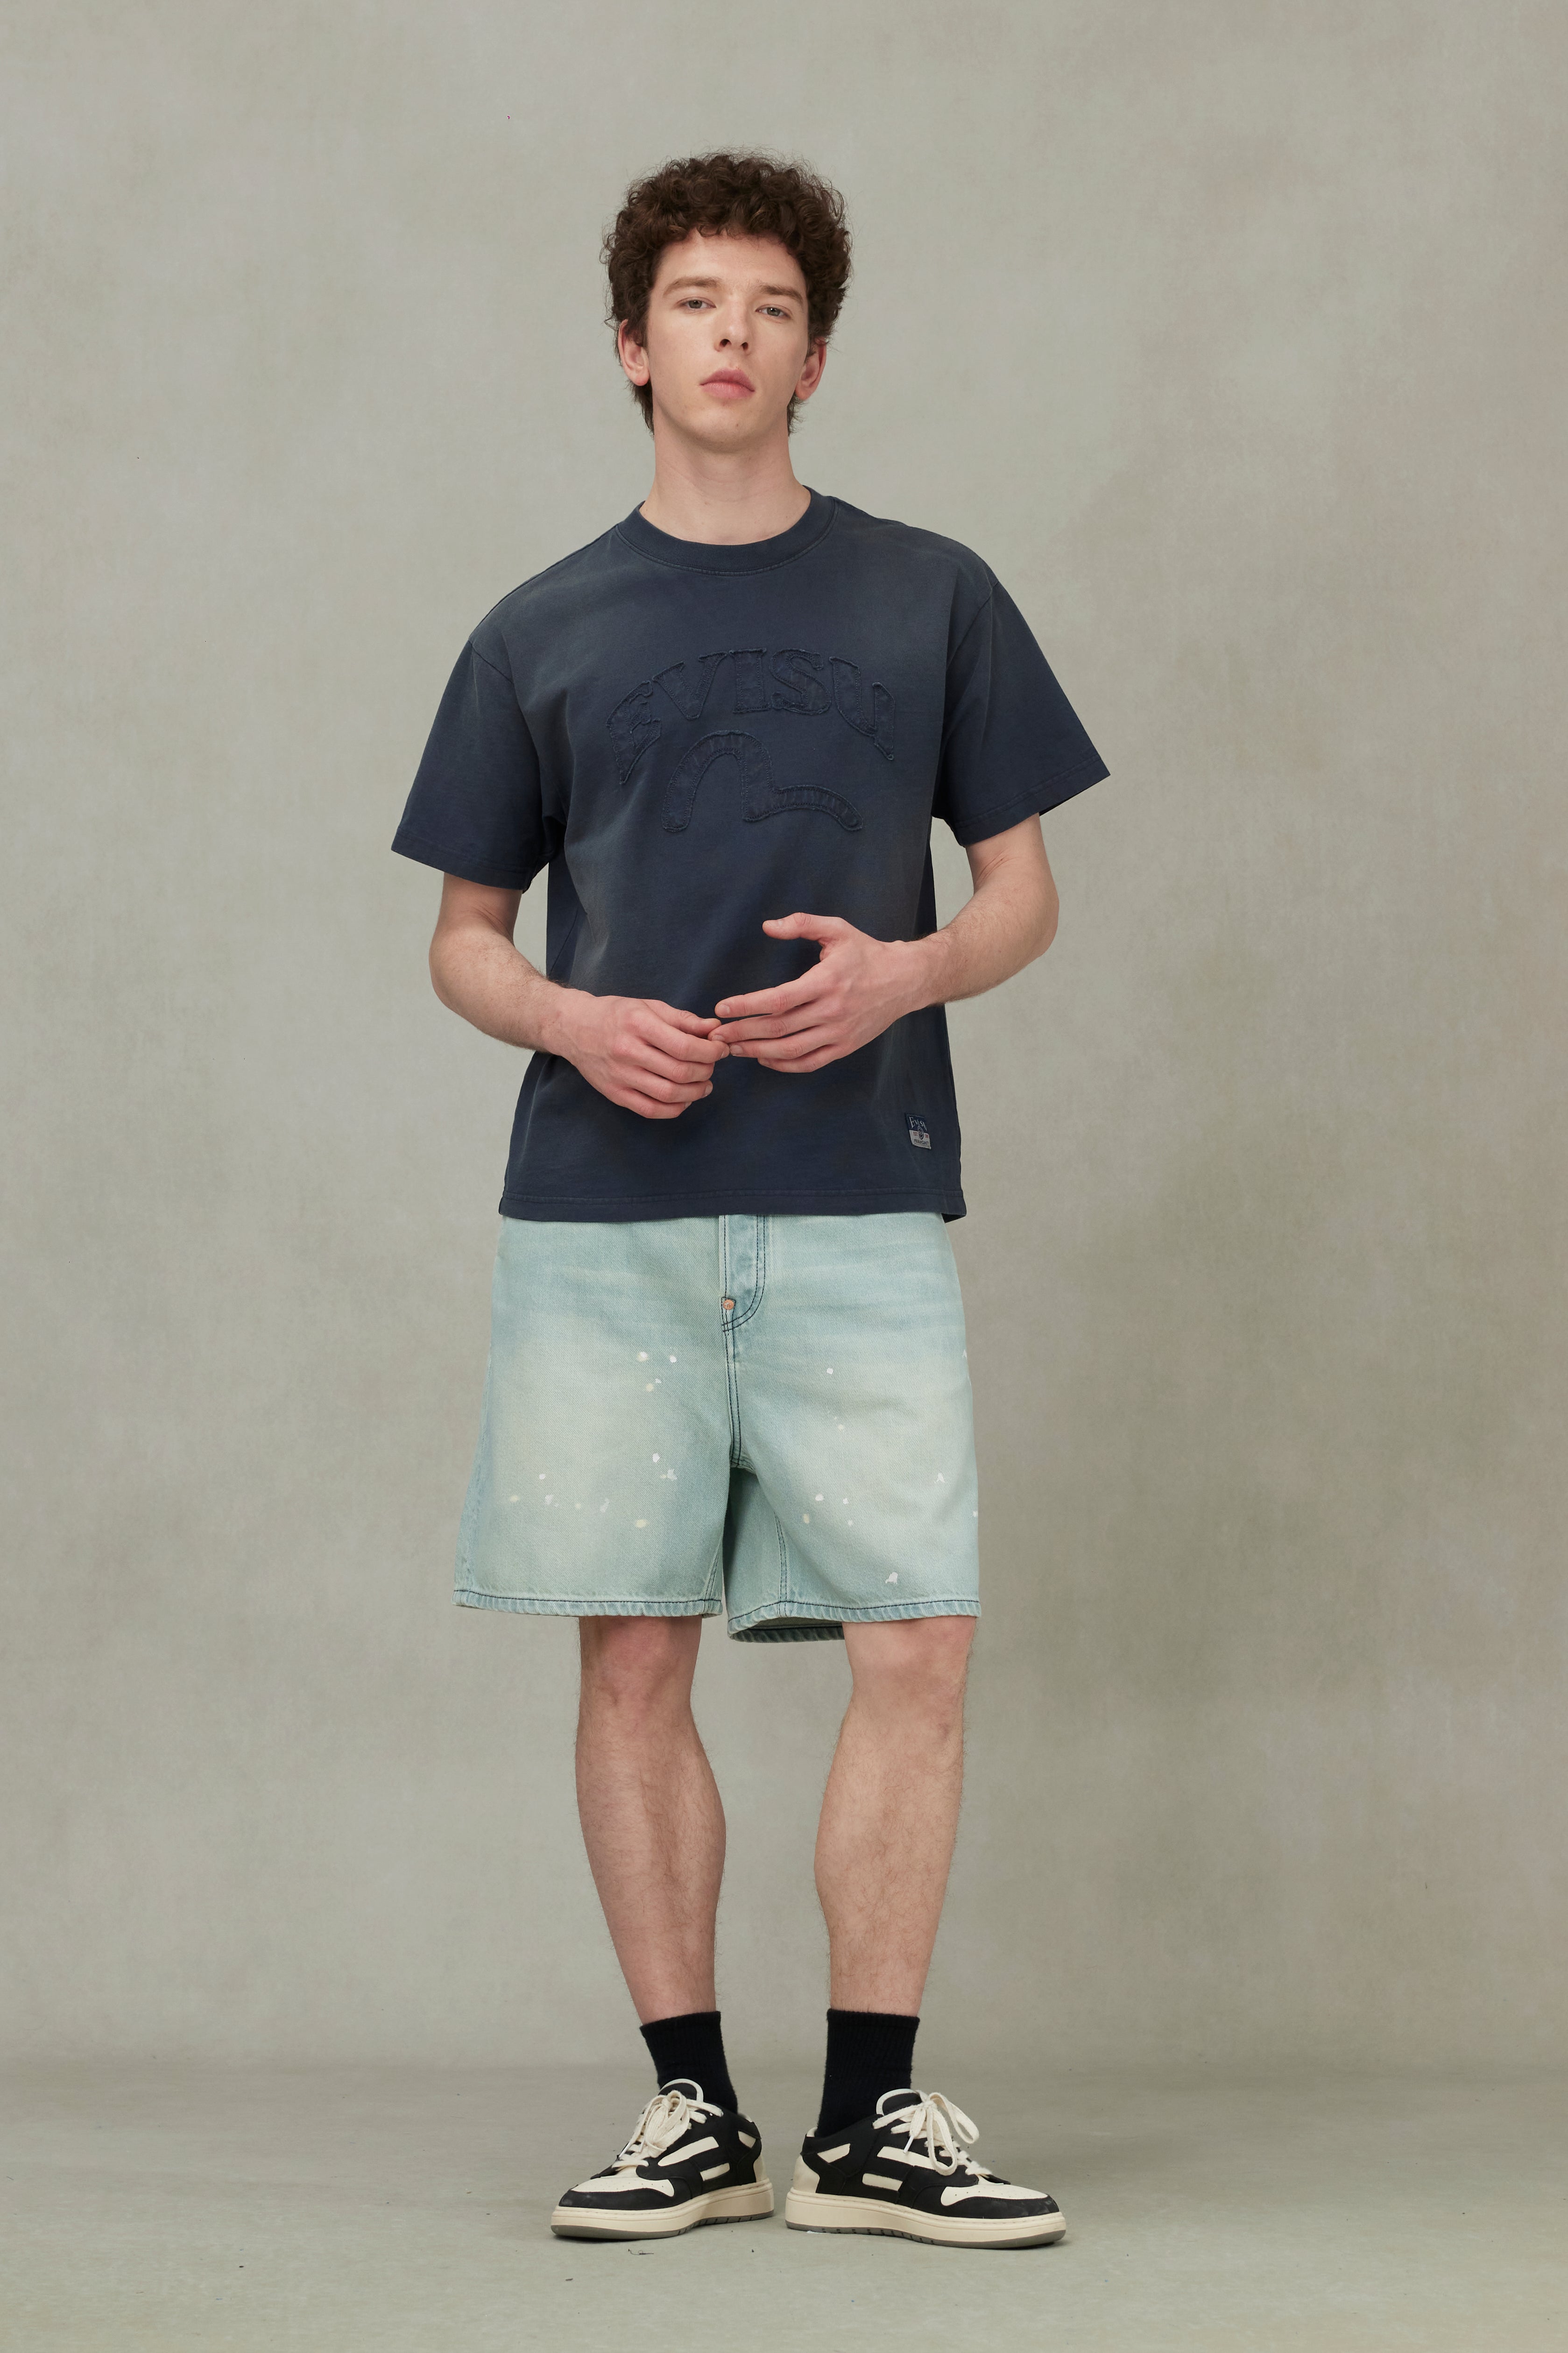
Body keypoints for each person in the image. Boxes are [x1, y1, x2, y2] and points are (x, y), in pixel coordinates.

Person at [391, 149, 1107, 2250]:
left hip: (862, 1197)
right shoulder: (539, 626)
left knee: (920, 1645)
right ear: (633, 349)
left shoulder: (932, 594)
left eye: (774, 307)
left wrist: (910, 974)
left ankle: (871, 2124)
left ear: (816, 357)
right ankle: (689, 2112)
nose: (735, 334)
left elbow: (1026, 891)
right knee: (633, 1655)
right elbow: (462, 939)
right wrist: (569, 1018)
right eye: (697, 302)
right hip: (604, 1212)